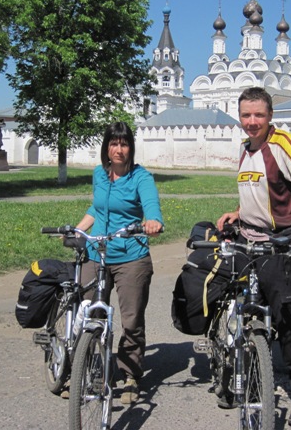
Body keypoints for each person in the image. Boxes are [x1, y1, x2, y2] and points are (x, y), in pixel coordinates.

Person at [217, 87, 291, 427]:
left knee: (288, 317)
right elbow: (258, 190)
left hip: (282, 243)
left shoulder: (282, 145)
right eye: (246, 115)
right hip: (249, 242)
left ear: (270, 117)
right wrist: (238, 213)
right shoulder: (244, 148)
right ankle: (247, 375)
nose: (252, 122)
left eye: (259, 115)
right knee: (242, 309)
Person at [73, 122, 164, 405]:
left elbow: (151, 205)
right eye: (114, 143)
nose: (119, 149)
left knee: (131, 319)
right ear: (106, 147)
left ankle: (130, 375)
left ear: (131, 148)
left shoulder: (141, 178)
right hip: (97, 252)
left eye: (124, 144)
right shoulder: (99, 174)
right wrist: (78, 231)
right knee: (90, 314)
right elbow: (97, 208)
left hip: (131, 255)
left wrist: (152, 221)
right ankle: (89, 371)